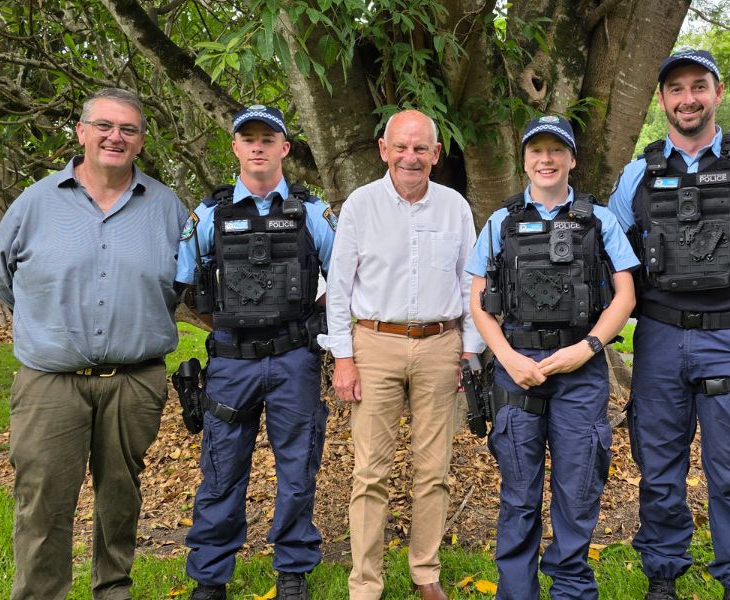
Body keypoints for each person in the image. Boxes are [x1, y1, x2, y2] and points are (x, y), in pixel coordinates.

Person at [608, 50, 730, 600]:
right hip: (659, 339)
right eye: (675, 89)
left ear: (717, 92)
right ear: (662, 99)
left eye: (698, 86)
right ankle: (662, 576)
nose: (687, 98)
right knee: (659, 468)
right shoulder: (636, 174)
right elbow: (615, 254)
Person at [0, 88, 189, 600]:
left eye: (128, 129)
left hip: (135, 382)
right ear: (81, 132)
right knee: (43, 501)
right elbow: (2, 280)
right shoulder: (34, 203)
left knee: (121, 498)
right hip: (51, 384)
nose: (114, 137)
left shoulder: (168, 208)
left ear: (141, 142)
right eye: (104, 125)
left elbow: (181, 287)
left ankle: (113, 590)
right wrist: (50, 326)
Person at [466, 115, 637, 599]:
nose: (546, 159)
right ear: (524, 161)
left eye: (556, 151)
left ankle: (571, 590)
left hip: (580, 372)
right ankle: (517, 592)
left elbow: (625, 294)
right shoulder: (501, 223)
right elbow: (477, 300)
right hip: (518, 371)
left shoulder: (599, 220)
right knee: (519, 495)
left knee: (578, 491)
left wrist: (587, 349)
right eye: (536, 151)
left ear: (572, 160)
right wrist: (507, 359)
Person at [176, 105, 337, 600]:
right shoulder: (208, 214)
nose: (259, 146)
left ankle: (292, 573)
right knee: (222, 471)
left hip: (295, 360)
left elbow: (348, 280)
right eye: (249, 139)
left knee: (297, 470)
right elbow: (184, 284)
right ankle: (210, 577)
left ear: (285, 148)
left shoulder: (313, 214)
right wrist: (222, 326)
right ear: (236, 147)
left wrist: (310, 326)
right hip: (230, 362)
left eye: (269, 138)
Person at [323, 108, 484, 600]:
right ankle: (365, 583)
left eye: (421, 148)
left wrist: (469, 351)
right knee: (370, 471)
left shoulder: (454, 206)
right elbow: (338, 290)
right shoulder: (360, 205)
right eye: (401, 146)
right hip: (375, 344)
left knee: (433, 469)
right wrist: (344, 357)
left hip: (440, 345)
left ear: (436, 154)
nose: (410, 157)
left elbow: (469, 282)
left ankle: (425, 573)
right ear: (383, 150)